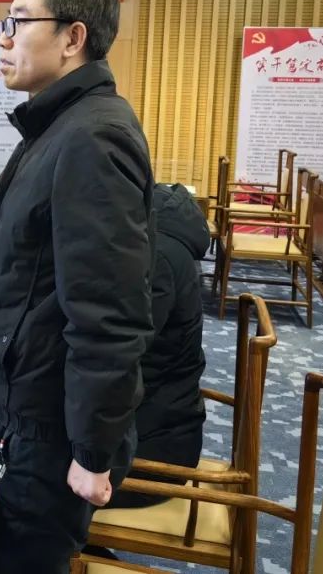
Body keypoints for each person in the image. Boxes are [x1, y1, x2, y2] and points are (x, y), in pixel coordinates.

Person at [0, 0, 155, 573]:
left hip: (51, 433)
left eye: (19, 21)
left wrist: (93, 451)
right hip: (22, 412)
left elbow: (109, 311)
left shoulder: (91, 137)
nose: (3, 38)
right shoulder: (52, 128)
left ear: (73, 37)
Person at [104, 183, 211, 510]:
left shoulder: (157, 256)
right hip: (157, 423)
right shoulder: (159, 235)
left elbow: (120, 354)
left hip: (153, 451)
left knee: (28, 485)